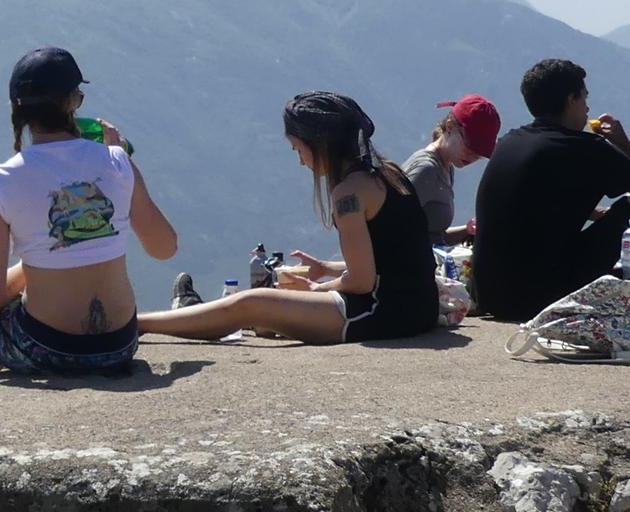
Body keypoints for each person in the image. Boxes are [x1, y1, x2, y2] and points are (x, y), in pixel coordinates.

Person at [0, 47, 179, 376]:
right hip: (119, 345)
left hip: (47, 349)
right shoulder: (116, 161)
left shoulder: (1, 180)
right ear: (74, 102)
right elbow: (165, 248)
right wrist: (123, 162)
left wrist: (45, 249)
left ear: (16, 110)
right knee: (45, 260)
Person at [137, 92, 440, 346]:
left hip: (382, 312)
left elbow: (361, 282)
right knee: (266, 316)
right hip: (418, 307)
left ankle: (138, 324)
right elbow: (393, 259)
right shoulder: (388, 173)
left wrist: (316, 289)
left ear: (320, 145)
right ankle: (190, 314)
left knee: (250, 304)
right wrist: (328, 269)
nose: (300, 160)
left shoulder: (349, 193)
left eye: (299, 149)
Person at [471, 57, 630, 324]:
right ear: (571, 99)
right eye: (584, 99)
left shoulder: (509, 142)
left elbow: (538, 206)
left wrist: (598, 215)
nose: (587, 108)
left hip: (492, 297)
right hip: (542, 299)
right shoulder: (588, 149)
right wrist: (625, 145)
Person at [399, 94, 499, 241]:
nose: (473, 156)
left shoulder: (446, 166)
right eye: (470, 147)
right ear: (450, 126)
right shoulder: (425, 170)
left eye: (480, 153)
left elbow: (433, 236)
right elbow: (390, 226)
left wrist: (467, 231)